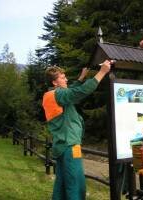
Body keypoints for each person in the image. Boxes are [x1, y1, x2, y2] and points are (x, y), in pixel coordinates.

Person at [42, 60, 111, 200]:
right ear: (55, 83)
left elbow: (71, 90)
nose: (66, 79)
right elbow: (79, 92)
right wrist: (102, 72)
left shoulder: (51, 95)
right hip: (70, 146)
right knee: (76, 181)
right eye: (62, 77)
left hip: (62, 145)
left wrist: (81, 78)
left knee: (62, 182)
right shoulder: (59, 95)